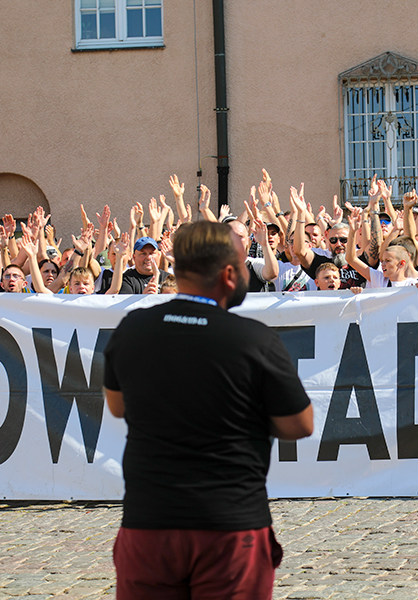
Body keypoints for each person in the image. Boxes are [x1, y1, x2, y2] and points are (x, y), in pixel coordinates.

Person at [103, 220, 313, 600]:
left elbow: (117, 406)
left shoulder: (132, 328)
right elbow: (300, 424)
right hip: (229, 525)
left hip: (149, 522)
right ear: (230, 274)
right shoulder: (254, 339)